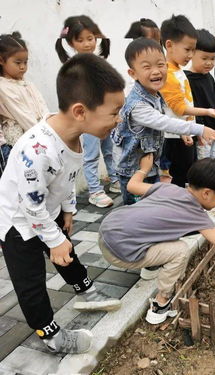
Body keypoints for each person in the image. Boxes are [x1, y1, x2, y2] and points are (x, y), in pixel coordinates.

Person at [0, 54, 124, 354]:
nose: (118, 120)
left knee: (66, 253)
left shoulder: (73, 135)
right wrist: (53, 239)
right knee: (31, 284)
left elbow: (66, 179)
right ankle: (50, 334)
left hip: (46, 211)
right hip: (18, 225)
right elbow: (30, 206)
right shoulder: (38, 151)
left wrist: (68, 210)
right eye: (114, 112)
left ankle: (88, 292)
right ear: (81, 111)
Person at [98, 154, 215, 324]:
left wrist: (144, 169)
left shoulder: (168, 187)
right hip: (118, 253)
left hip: (107, 229)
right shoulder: (196, 216)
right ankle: (160, 304)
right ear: (206, 193)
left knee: (164, 227)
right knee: (180, 250)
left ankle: (151, 266)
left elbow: (132, 186)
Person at [112, 38, 215, 205]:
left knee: (153, 207)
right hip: (133, 171)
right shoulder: (137, 105)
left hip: (150, 165)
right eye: (147, 67)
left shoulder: (155, 94)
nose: (156, 71)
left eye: (160, 65)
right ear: (133, 73)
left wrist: (183, 132)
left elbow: (165, 118)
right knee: (138, 212)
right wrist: (199, 129)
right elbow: (162, 122)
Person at [55, 15, 119, 207]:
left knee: (109, 150)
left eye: (90, 38)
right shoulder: (74, 67)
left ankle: (114, 179)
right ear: (71, 42)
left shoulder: (99, 62)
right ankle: (94, 190)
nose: (87, 44)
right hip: (90, 119)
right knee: (91, 154)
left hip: (106, 116)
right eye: (80, 40)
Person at [159, 15, 215, 188]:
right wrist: (207, 112)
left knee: (186, 171)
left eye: (193, 50)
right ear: (169, 45)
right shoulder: (168, 74)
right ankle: (178, 207)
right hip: (175, 135)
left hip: (184, 131)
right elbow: (179, 108)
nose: (190, 55)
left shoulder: (177, 70)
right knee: (180, 175)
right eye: (187, 50)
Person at [0, 32, 49, 177]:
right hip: (20, 142)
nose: (23, 67)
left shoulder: (27, 84)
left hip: (38, 134)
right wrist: (43, 133)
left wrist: (49, 128)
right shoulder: (3, 87)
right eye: (18, 62)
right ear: (1, 60)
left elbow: (42, 106)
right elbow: (21, 114)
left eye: (25, 62)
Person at [185, 29, 215, 162]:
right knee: (204, 164)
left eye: (213, 58)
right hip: (201, 133)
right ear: (191, 54)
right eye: (204, 58)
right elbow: (192, 107)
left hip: (214, 131)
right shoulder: (187, 79)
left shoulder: (209, 77)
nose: (209, 63)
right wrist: (199, 131)